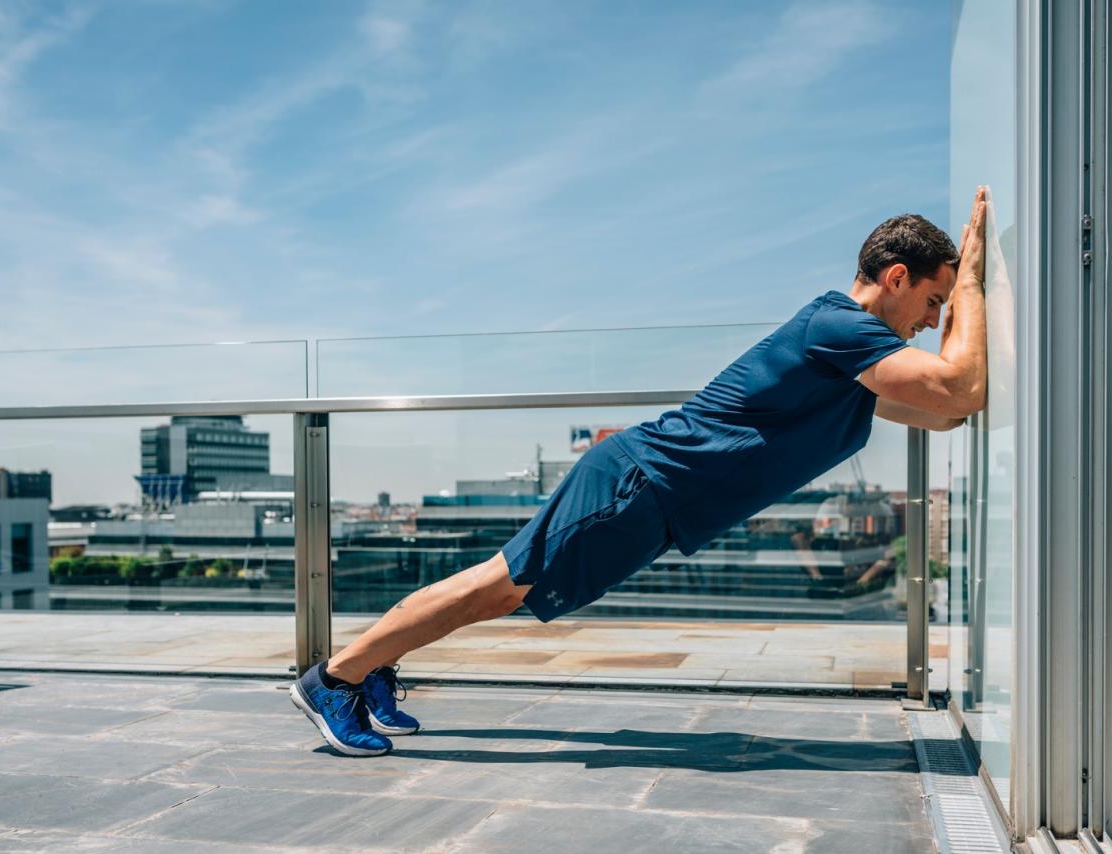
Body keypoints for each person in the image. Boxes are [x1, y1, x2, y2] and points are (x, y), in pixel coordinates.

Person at [290, 187, 990, 756]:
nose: (933, 321)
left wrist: (962, 306)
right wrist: (978, 290)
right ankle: (334, 680)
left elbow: (948, 412)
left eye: (944, 308)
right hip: (638, 485)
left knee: (500, 590)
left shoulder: (851, 361)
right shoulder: (840, 329)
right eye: (933, 301)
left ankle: (368, 669)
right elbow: (960, 388)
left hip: (650, 498)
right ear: (896, 277)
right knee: (495, 589)